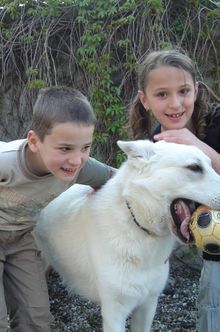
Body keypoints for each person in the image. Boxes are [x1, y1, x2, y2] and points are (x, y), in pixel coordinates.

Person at [0, 86, 115, 332]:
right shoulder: (5, 162)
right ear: (34, 141)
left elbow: (118, 181)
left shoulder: (81, 168)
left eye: (85, 147)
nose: (76, 159)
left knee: (36, 316)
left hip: (20, 240)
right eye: (65, 148)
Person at [128, 49, 220, 332]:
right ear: (144, 100)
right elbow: (149, 200)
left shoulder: (217, 124)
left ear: (197, 90)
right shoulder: (152, 146)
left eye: (183, 91)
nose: (175, 103)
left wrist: (197, 146)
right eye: (162, 94)